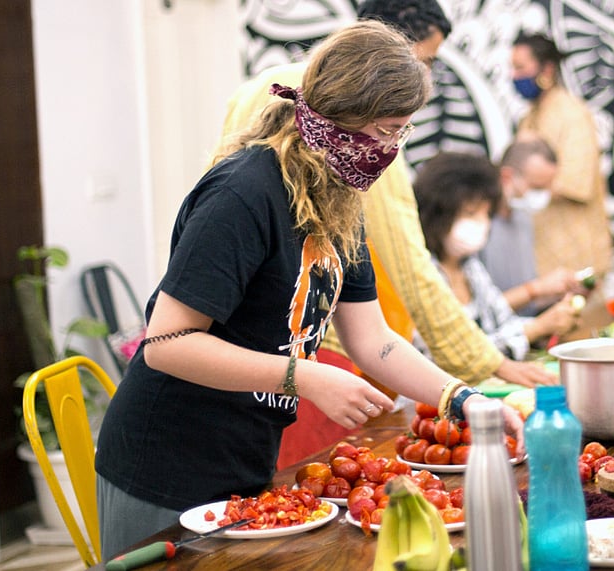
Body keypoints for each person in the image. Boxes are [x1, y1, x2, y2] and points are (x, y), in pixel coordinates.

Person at [94, 22, 522, 560]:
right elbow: (167, 344)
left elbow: (374, 341)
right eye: (388, 130)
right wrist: (304, 375)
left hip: (244, 455)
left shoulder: (339, 196)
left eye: (402, 133)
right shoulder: (243, 194)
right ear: (341, 116)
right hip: (163, 462)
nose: (391, 150)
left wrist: (461, 397)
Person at [220, 0, 551, 389]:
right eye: (425, 61)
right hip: (316, 350)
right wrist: (487, 362)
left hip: (251, 341)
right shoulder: (365, 139)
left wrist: (457, 393)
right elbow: (410, 263)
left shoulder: (263, 89)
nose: (425, 76)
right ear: (391, 60)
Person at [414, 151, 580, 360]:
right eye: (471, 213)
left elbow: (503, 321)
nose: (482, 224)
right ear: (438, 215)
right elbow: (455, 355)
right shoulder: (422, 274)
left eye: (486, 214)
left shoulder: (470, 267)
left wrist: (551, 321)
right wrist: (536, 328)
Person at [511, 33, 613, 277]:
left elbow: (576, 182)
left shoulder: (572, 114)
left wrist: (524, 184)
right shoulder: (528, 117)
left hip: (579, 259)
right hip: (543, 260)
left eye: (520, 68)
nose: (514, 76)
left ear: (547, 69)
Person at [481, 137, 584, 317]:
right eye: (537, 187)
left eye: (548, 186)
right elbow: (479, 312)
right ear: (507, 176)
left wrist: (561, 293)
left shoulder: (523, 219)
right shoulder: (476, 229)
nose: (546, 195)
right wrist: (537, 288)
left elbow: (526, 305)